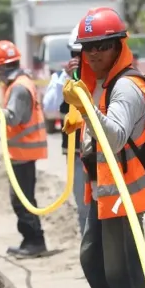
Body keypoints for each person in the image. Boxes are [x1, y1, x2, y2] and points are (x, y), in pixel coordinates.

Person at [61, 7, 145, 288]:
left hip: (126, 195)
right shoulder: (101, 83)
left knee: (125, 273)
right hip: (105, 192)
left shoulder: (127, 87)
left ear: (119, 45)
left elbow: (115, 135)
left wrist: (85, 106)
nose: (94, 53)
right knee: (93, 262)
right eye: (88, 47)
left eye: (102, 45)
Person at [0, 40, 48, 258]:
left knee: (22, 199)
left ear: (1, 67)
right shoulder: (21, 83)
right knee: (24, 198)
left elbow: (13, 118)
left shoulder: (19, 87)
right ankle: (32, 240)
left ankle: (34, 241)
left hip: (23, 152)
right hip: (22, 151)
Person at [42, 25, 87, 235]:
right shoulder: (60, 79)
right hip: (78, 154)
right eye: (75, 54)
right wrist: (67, 79)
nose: (81, 59)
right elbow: (50, 108)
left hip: (105, 154)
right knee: (84, 205)